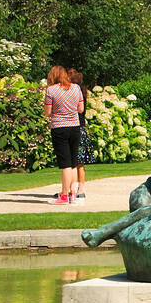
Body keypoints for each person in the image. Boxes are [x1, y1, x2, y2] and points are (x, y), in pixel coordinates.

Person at [44, 65, 85, 205]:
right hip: (74, 127)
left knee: (65, 164)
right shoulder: (76, 88)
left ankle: (64, 195)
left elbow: (48, 112)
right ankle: (73, 194)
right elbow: (81, 109)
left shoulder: (51, 90)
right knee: (73, 162)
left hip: (59, 127)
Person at [68, 68, 95, 202]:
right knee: (79, 162)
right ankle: (79, 188)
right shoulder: (82, 93)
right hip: (81, 128)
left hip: (75, 128)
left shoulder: (74, 93)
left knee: (74, 162)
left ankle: (74, 188)